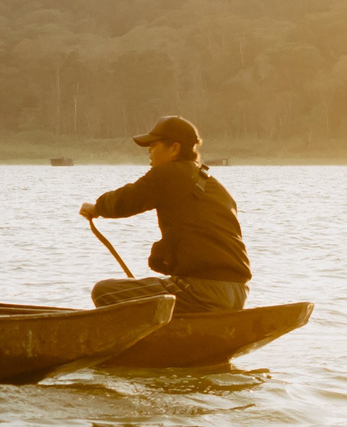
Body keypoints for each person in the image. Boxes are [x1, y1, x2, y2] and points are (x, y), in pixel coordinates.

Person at [78, 116, 250, 315]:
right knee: (163, 289)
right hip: (238, 293)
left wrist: (97, 208)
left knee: (103, 292)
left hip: (201, 291)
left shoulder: (169, 173)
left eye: (153, 145)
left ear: (174, 148)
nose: (149, 152)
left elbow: (127, 200)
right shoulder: (215, 186)